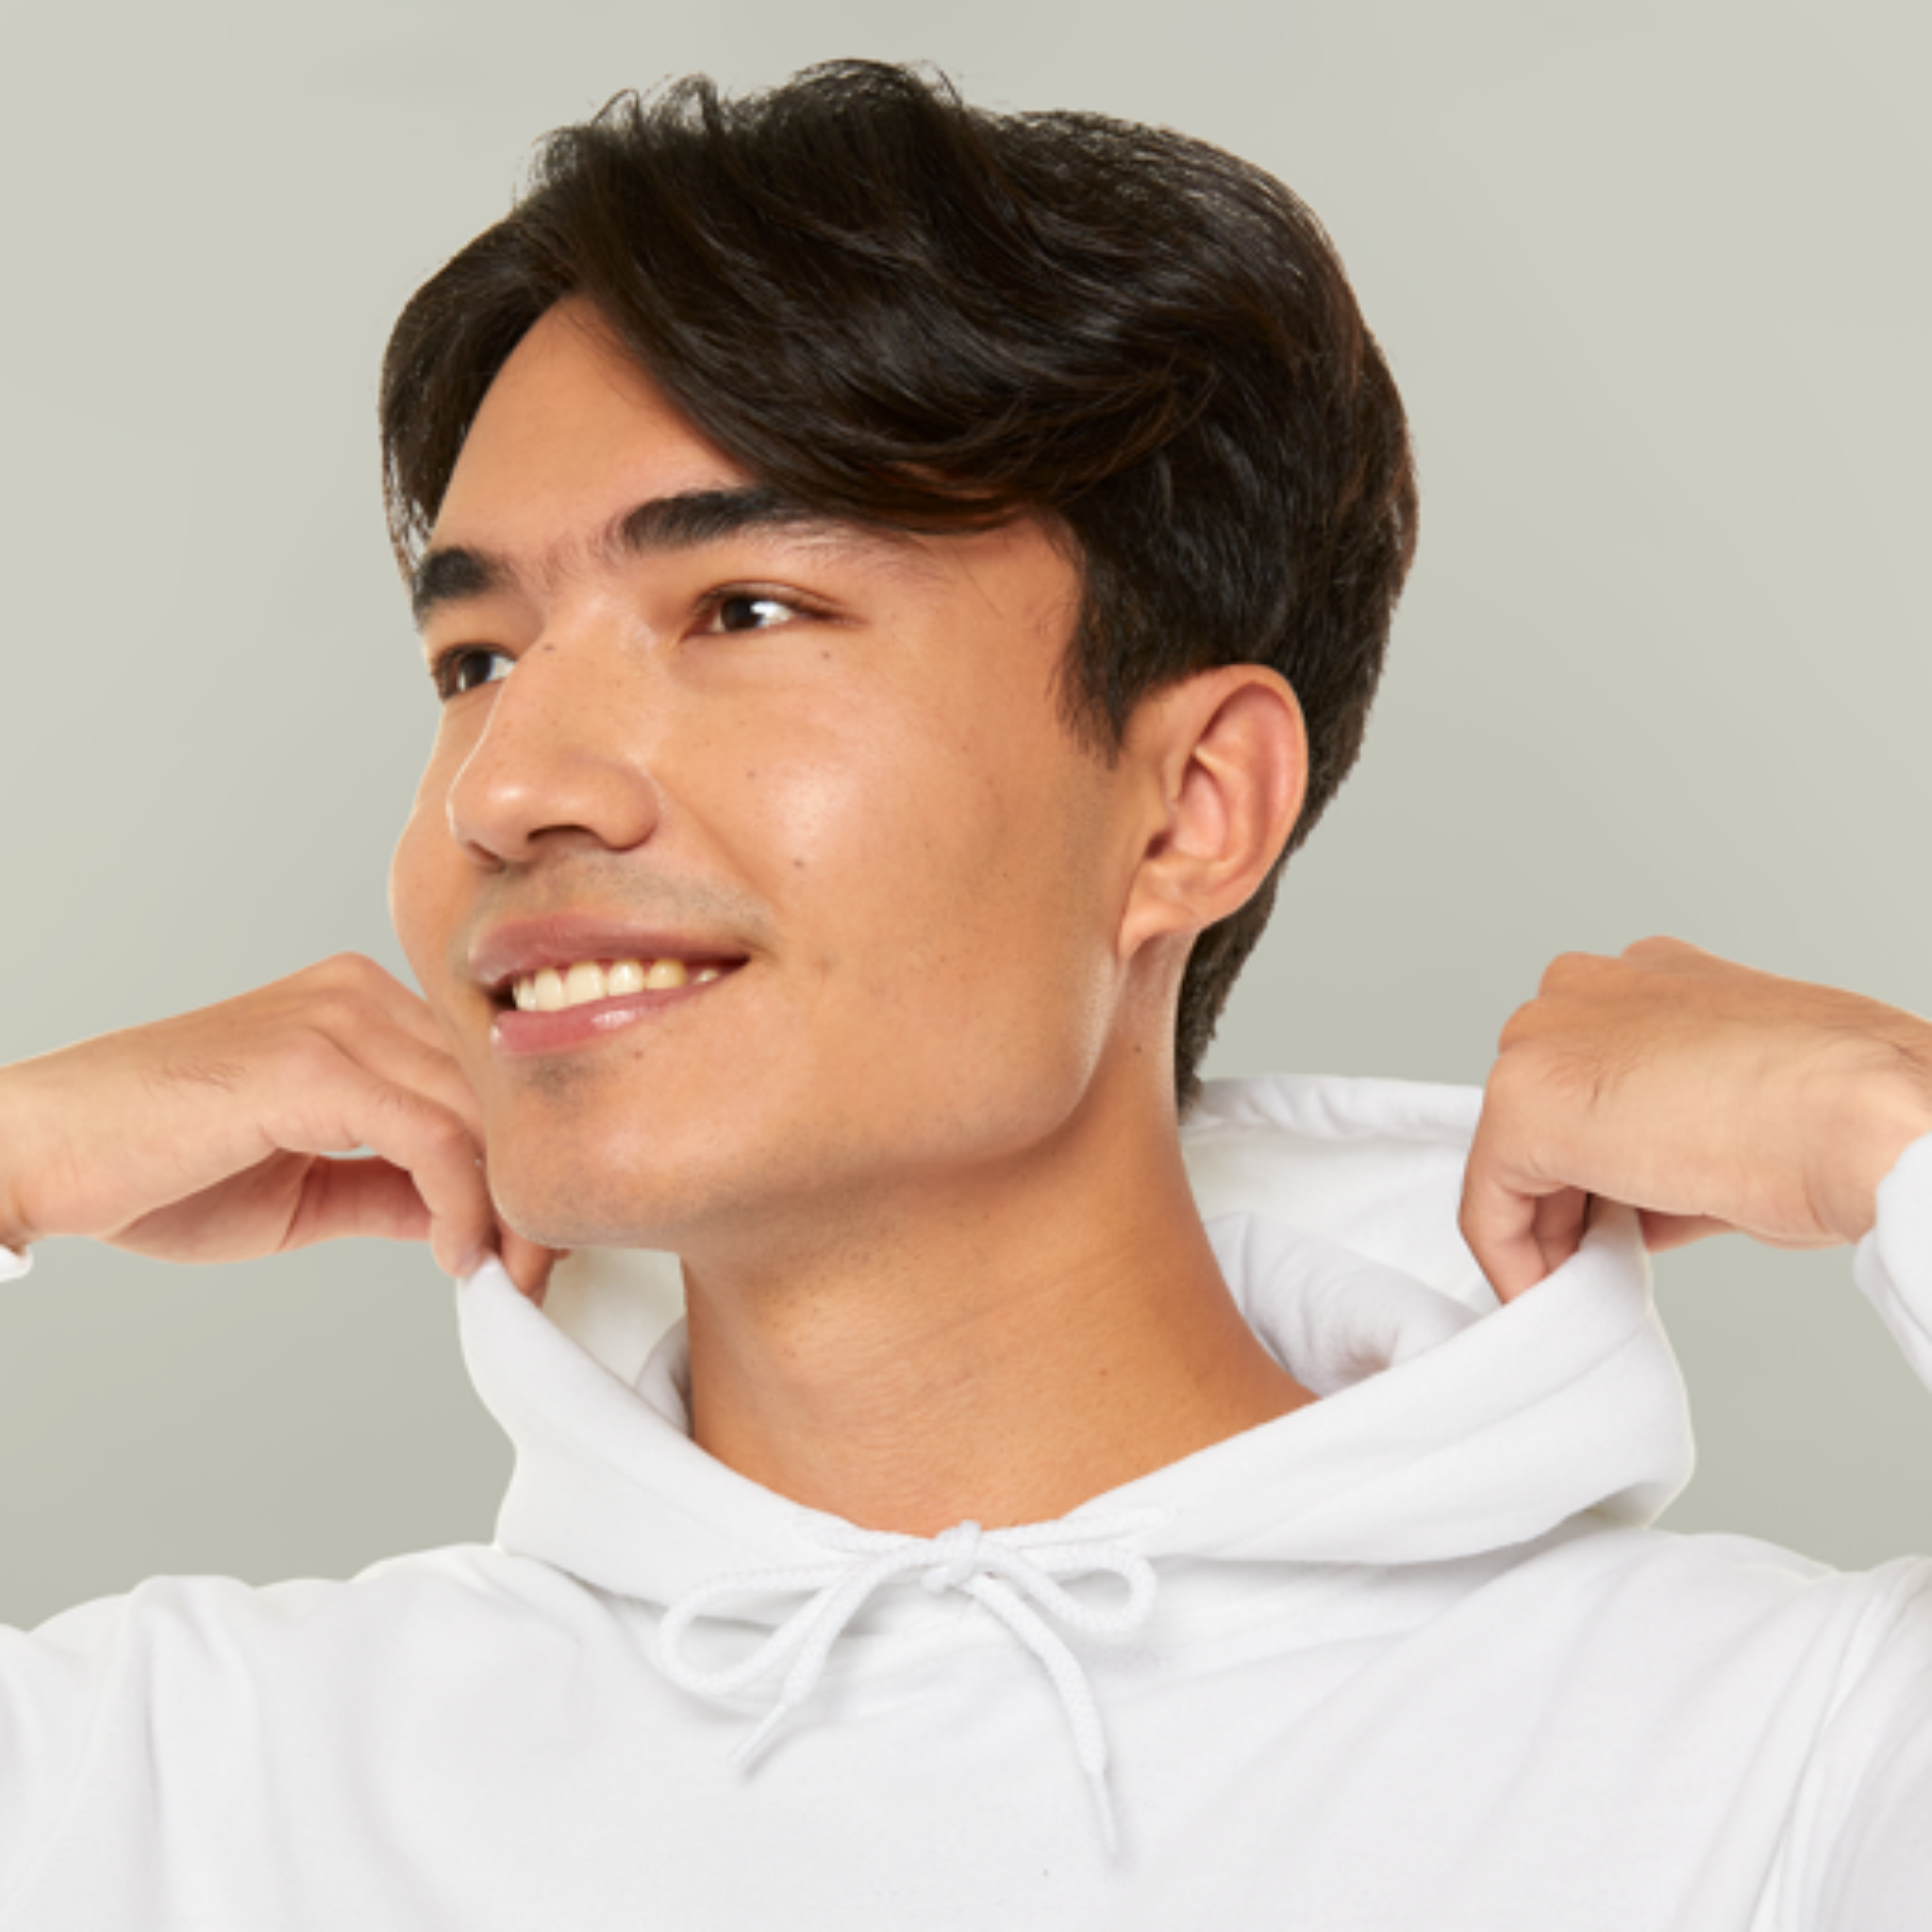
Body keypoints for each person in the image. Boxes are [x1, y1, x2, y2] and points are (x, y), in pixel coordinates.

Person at [2, 58, 1929, 1929]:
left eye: (742, 612)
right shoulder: (182, 1786)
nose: (505, 789)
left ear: (1187, 808)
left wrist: (1890, 1122)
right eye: (475, 658)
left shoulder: (1774, 1762)